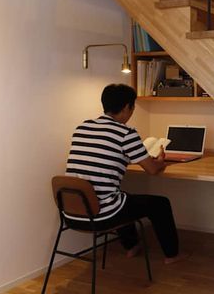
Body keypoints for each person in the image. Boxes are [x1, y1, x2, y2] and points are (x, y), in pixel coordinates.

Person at [65, 83, 181, 264]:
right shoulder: (126, 133)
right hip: (101, 214)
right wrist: (160, 162)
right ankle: (171, 255)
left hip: (72, 212)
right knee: (160, 204)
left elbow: (103, 155)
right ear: (127, 107)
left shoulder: (83, 127)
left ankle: (131, 246)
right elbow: (151, 170)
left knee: (121, 197)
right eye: (133, 107)